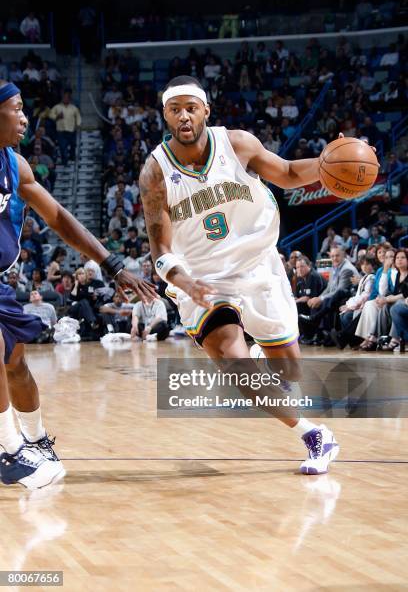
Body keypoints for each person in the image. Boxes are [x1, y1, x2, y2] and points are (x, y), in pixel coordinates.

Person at [139, 75, 344, 475]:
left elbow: (285, 172)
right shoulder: (155, 173)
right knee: (231, 355)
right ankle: (313, 434)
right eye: (175, 109)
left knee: (289, 373)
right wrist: (180, 279)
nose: (184, 115)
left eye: (191, 108)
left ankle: (274, 373)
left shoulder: (237, 144)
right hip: (202, 278)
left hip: (257, 264)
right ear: (165, 114)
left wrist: (327, 166)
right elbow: (160, 248)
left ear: (205, 112)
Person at [0, 80, 156, 490]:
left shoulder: (16, 166)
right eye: (16, 108)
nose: (24, 117)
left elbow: (59, 218)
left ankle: (35, 442)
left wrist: (112, 264)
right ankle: (7, 451)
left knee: (15, 362)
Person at [49, 91, 82, 165]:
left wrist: (78, 124)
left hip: (71, 130)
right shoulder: (57, 107)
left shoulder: (74, 108)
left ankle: (72, 157)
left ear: (69, 99)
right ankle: (65, 161)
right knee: (62, 147)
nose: (65, 99)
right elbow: (51, 114)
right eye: (64, 97)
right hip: (61, 131)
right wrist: (57, 116)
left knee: (73, 145)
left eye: (67, 97)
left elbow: (78, 117)